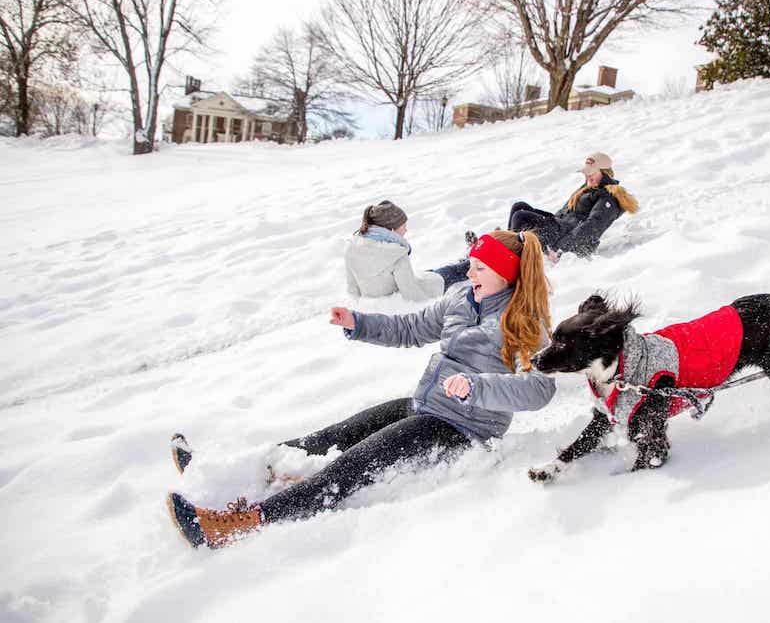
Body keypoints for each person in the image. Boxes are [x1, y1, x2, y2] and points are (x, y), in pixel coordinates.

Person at [167, 230, 556, 549]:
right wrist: (360, 322)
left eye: (480, 268)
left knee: (351, 464)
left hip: (463, 429)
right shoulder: (461, 297)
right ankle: (222, 473)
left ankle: (238, 523)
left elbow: (539, 389)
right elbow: (411, 328)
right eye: (470, 265)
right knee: (329, 437)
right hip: (425, 406)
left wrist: (476, 387)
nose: (470, 274)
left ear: (505, 273)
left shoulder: (523, 322)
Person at [496, 152, 639, 261]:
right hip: (560, 226)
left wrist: (560, 249)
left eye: (592, 172)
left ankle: (510, 255)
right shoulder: (588, 187)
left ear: (605, 172)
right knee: (519, 206)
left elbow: (593, 226)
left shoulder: (609, 197)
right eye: (587, 172)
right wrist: (547, 220)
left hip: (566, 238)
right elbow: (565, 212)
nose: (588, 176)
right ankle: (509, 244)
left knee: (520, 216)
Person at [345, 201, 464, 301]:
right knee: (451, 271)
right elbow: (414, 297)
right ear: (391, 230)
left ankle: (466, 258)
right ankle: (474, 259)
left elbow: (353, 290)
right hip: (426, 291)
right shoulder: (396, 254)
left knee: (432, 271)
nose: (406, 229)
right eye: (403, 226)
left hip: (382, 306)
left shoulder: (352, 249)